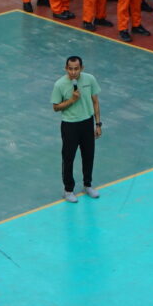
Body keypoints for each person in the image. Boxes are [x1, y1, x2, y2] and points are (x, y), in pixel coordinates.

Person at [51, 55, 103, 203]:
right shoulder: (59, 84)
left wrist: (98, 124)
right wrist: (72, 100)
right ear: (66, 68)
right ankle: (68, 190)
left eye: (76, 69)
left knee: (88, 155)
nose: (73, 72)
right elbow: (55, 107)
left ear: (82, 68)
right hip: (70, 125)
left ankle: (87, 185)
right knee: (68, 158)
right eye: (70, 69)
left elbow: (95, 101)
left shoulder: (90, 79)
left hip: (87, 122)